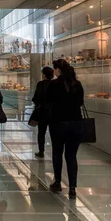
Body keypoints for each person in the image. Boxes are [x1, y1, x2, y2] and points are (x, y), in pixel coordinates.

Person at [47, 59, 84, 199]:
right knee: (71, 156)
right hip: (75, 124)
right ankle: (73, 188)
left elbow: (48, 101)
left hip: (58, 123)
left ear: (58, 70)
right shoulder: (77, 84)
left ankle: (57, 182)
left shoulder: (54, 84)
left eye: (55, 69)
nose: (54, 72)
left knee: (57, 153)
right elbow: (80, 102)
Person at [30, 66, 54, 158]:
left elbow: (36, 98)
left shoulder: (41, 84)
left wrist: (37, 104)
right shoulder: (55, 84)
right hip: (53, 112)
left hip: (42, 112)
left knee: (41, 132)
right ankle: (55, 151)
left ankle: (41, 151)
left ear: (44, 75)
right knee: (53, 132)